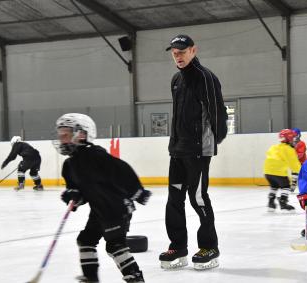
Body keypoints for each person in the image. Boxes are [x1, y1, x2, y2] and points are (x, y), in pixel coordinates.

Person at [54, 113, 151, 283]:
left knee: (115, 246)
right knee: (85, 240)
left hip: (116, 207)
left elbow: (123, 171)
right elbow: (77, 189)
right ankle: (91, 278)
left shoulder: (96, 156)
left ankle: (135, 278)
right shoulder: (69, 165)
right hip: (99, 209)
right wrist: (74, 196)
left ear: (82, 134)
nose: (62, 139)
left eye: (66, 134)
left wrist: (137, 192)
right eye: (60, 135)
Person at [159, 34, 228, 271]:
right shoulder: (176, 80)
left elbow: (217, 111)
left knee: (197, 198)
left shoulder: (206, 77)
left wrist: (212, 141)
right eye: (174, 52)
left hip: (198, 149)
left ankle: (209, 247)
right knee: (174, 200)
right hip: (177, 150)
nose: (177, 56)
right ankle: (178, 246)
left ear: (193, 50)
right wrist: (174, 144)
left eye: (182, 51)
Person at [263, 129, 301, 212]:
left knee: (274, 186)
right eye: (293, 139)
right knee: (286, 186)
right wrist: (301, 171)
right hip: (278, 173)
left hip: (267, 172)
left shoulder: (274, 147)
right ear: (289, 139)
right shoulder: (288, 149)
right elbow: (293, 163)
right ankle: (283, 203)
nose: (294, 141)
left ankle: (271, 203)